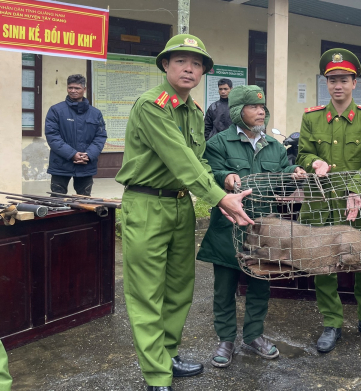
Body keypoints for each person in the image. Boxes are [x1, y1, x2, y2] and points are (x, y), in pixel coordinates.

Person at [115, 34, 254, 391]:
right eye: (180, 61)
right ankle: (156, 375)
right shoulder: (153, 105)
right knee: (147, 293)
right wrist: (218, 198)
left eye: (197, 64)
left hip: (180, 205)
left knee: (179, 289)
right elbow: (179, 158)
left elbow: (199, 162)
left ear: (204, 72)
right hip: (146, 204)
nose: (189, 68)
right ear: (165, 65)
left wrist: (223, 189)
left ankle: (168, 354)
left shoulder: (193, 111)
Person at [197, 85, 306, 368]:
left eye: (263, 107)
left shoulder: (273, 146)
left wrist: (293, 173)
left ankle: (254, 335)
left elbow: (281, 176)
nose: (261, 112)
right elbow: (208, 172)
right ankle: (226, 339)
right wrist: (225, 177)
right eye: (254, 107)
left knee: (260, 286)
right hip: (228, 228)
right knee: (224, 289)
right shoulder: (219, 143)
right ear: (237, 112)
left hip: (264, 229)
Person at [296, 48, 361, 353]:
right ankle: (331, 323)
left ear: (354, 82)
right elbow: (302, 153)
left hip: (358, 209)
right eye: (332, 80)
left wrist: (355, 188)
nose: (337, 86)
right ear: (326, 84)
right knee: (323, 266)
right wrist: (315, 163)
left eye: (343, 80)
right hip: (321, 206)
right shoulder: (312, 118)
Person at [45, 74, 106, 196]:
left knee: (84, 201)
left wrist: (89, 155)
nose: (73, 91)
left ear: (84, 89)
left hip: (85, 164)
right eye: (70, 87)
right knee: (57, 201)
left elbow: (100, 137)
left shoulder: (95, 113)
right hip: (61, 164)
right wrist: (72, 154)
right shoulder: (56, 110)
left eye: (77, 88)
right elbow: (52, 136)